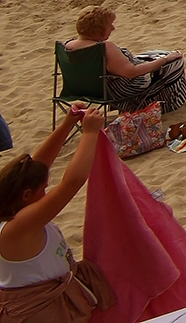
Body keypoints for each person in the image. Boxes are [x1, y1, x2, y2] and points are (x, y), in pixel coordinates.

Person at [0, 106, 107, 316]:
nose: (46, 193)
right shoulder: (18, 226)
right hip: (41, 311)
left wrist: (67, 125)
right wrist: (89, 133)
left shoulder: (10, 204)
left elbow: (36, 167)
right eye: (43, 190)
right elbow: (72, 182)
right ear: (26, 195)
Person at [66, 7, 186, 112]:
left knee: (154, 53)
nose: (113, 28)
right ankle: (168, 105)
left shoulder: (68, 46)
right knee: (175, 60)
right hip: (122, 89)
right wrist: (164, 60)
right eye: (109, 25)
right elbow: (131, 73)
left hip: (88, 90)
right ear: (98, 29)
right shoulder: (103, 48)